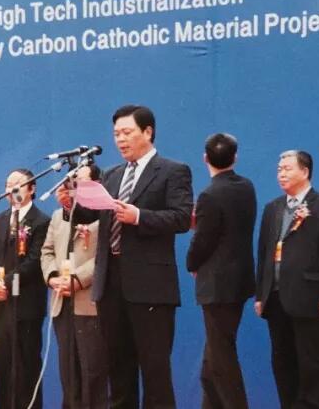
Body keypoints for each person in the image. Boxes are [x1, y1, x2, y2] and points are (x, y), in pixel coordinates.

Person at [67, 104, 193, 408]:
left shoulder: (172, 170)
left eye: (127, 132)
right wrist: (75, 198)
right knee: (118, 372)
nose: (120, 140)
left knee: (154, 373)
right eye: (116, 134)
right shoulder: (112, 175)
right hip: (110, 285)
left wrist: (139, 216)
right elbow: (90, 215)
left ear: (147, 132)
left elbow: (181, 218)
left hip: (150, 287)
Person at [255, 150, 319, 409]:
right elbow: (264, 253)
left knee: (312, 364)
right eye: (279, 169)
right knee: (283, 363)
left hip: (310, 296)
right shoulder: (272, 208)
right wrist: (261, 294)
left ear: (304, 172)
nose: (281, 174)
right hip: (275, 298)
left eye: (287, 169)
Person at [186, 133, 256, 409]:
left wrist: (192, 264)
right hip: (240, 282)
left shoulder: (209, 194)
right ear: (235, 157)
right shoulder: (246, 186)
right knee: (213, 358)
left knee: (221, 359)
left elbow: (203, 239)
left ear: (205, 158)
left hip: (216, 285)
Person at [0, 168, 50, 408]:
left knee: (27, 365)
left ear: (32, 189)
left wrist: (7, 283)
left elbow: (34, 260)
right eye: (8, 185)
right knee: (4, 366)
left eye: (18, 184)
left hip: (27, 304)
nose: (12, 189)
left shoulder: (41, 221)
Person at [42, 161, 106, 409]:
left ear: (97, 184)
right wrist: (52, 276)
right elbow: (47, 251)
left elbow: (104, 256)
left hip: (89, 302)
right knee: (68, 372)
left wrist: (78, 279)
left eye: (80, 182)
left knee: (93, 371)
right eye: (71, 182)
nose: (73, 187)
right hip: (61, 301)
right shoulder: (59, 216)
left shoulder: (104, 213)